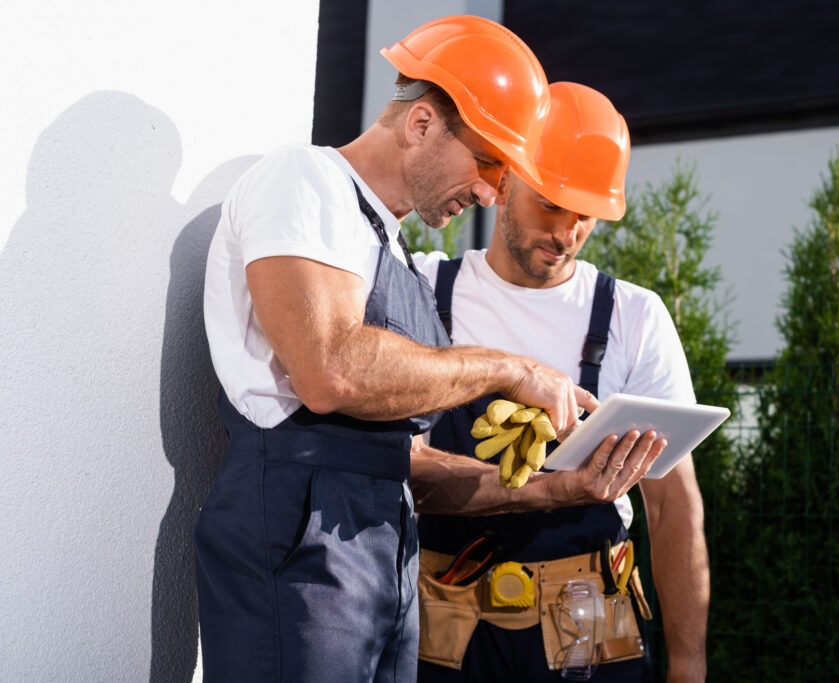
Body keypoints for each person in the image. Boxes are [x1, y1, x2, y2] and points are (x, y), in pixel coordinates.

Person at [194, 16, 664, 682]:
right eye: (488, 163)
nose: (491, 192)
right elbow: (329, 369)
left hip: (386, 559)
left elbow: (413, 467)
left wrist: (564, 488)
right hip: (296, 538)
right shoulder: (302, 180)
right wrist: (510, 368)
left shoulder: (396, 253)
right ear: (420, 125)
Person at [410, 82, 710, 682]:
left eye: (586, 215)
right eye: (552, 204)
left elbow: (673, 505)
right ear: (503, 183)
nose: (568, 231)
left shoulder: (632, 315)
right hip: (442, 633)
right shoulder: (420, 290)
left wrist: (689, 665)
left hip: (592, 628)